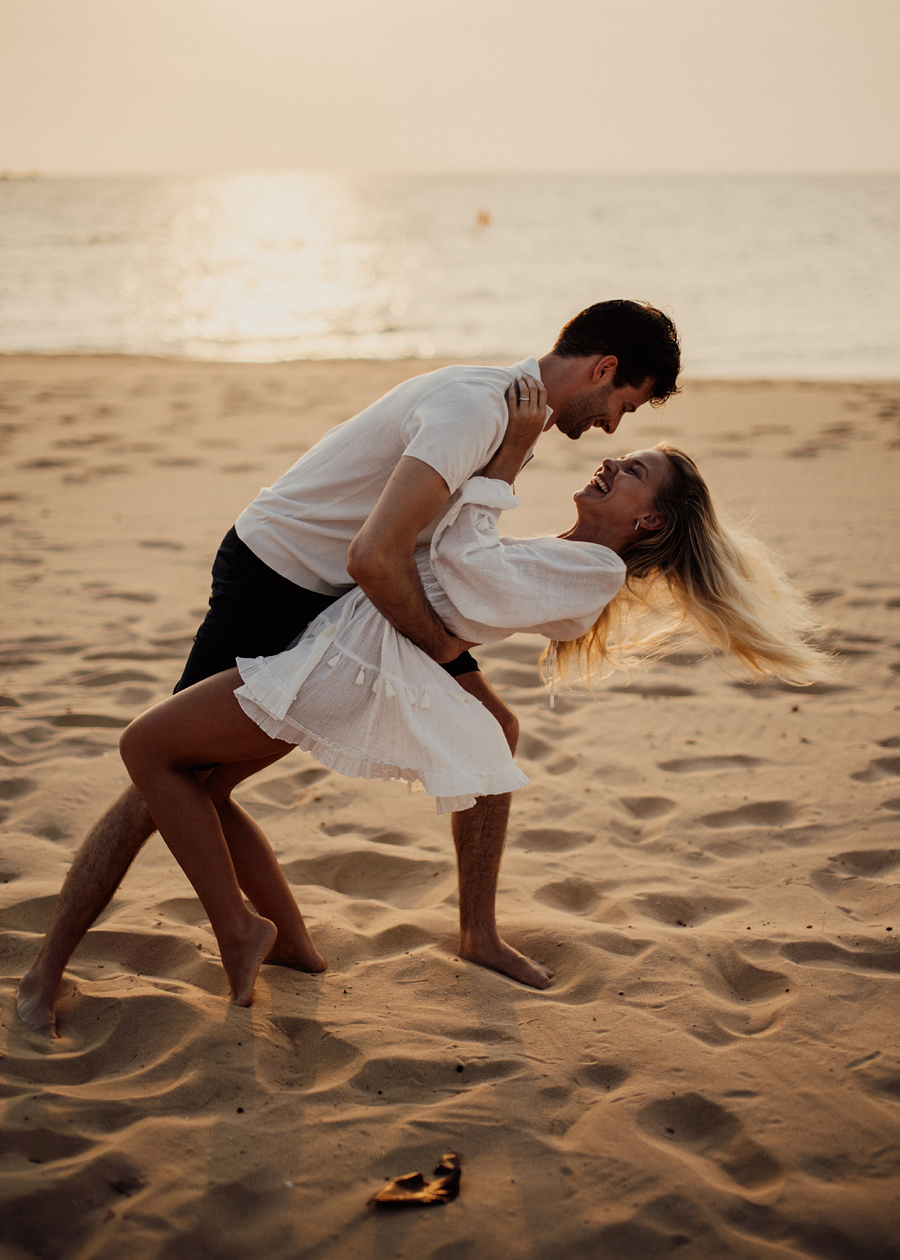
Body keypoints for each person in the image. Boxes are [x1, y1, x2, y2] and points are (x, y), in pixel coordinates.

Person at [17, 299, 682, 1035]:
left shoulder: (513, 420)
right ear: (604, 369)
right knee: (164, 777)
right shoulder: (481, 414)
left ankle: (321, 943)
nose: (615, 427)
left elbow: (439, 552)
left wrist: (450, 664)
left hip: (338, 600)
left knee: (488, 728)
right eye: (625, 404)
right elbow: (376, 556)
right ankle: (54, 974)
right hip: (283, 583)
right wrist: (438, 657)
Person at [118, 377, 827, 1010]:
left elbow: (459, 559)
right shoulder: (568, 553)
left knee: (147, 748)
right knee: (199, 784)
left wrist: (509, 456)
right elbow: (453, 561)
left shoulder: (591, 577)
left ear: (650, 521)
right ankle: (292, 946)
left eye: (633, 469)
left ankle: (241, 929)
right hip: (338, 647)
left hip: (342, 664)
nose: (610, 459)